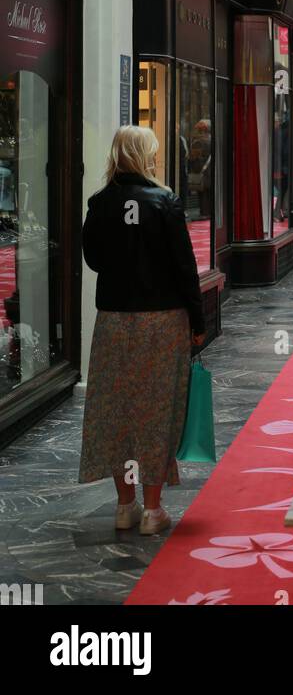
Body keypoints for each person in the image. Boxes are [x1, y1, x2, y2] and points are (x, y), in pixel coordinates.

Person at [78, 126, 205, 537]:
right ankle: (153, 510)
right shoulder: (165, 201)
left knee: (117, 409)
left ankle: (124, 505)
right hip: (163, 319)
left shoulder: (99, 203)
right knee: (155, 410)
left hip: (115, 319)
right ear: (147, 156)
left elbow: (94, 260)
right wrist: (199, 322)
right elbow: (185, 266)